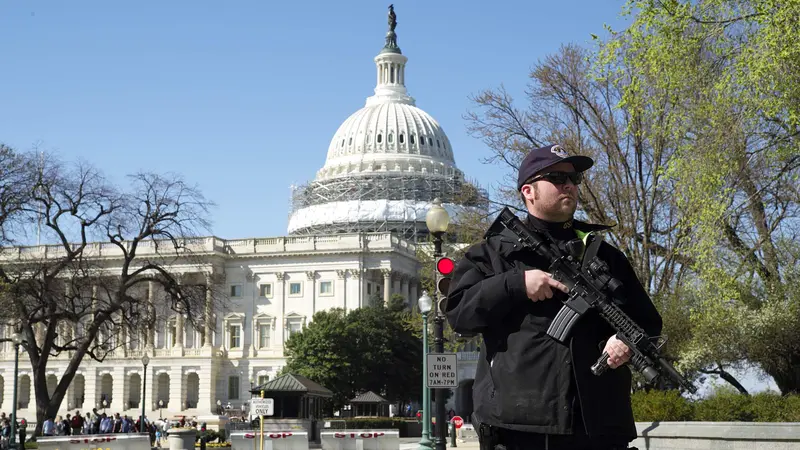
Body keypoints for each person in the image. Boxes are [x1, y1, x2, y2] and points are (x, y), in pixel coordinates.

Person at [445, 144, 663, 450]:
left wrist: (625, 341)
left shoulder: (606, 256)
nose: (569, 186)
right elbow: (458, 313)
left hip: (598, 425)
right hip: (519, 428)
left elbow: (648, 322)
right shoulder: (493, 254)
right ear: (528, 191)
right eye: (557, 178)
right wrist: (515, 284)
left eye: (574, 180)